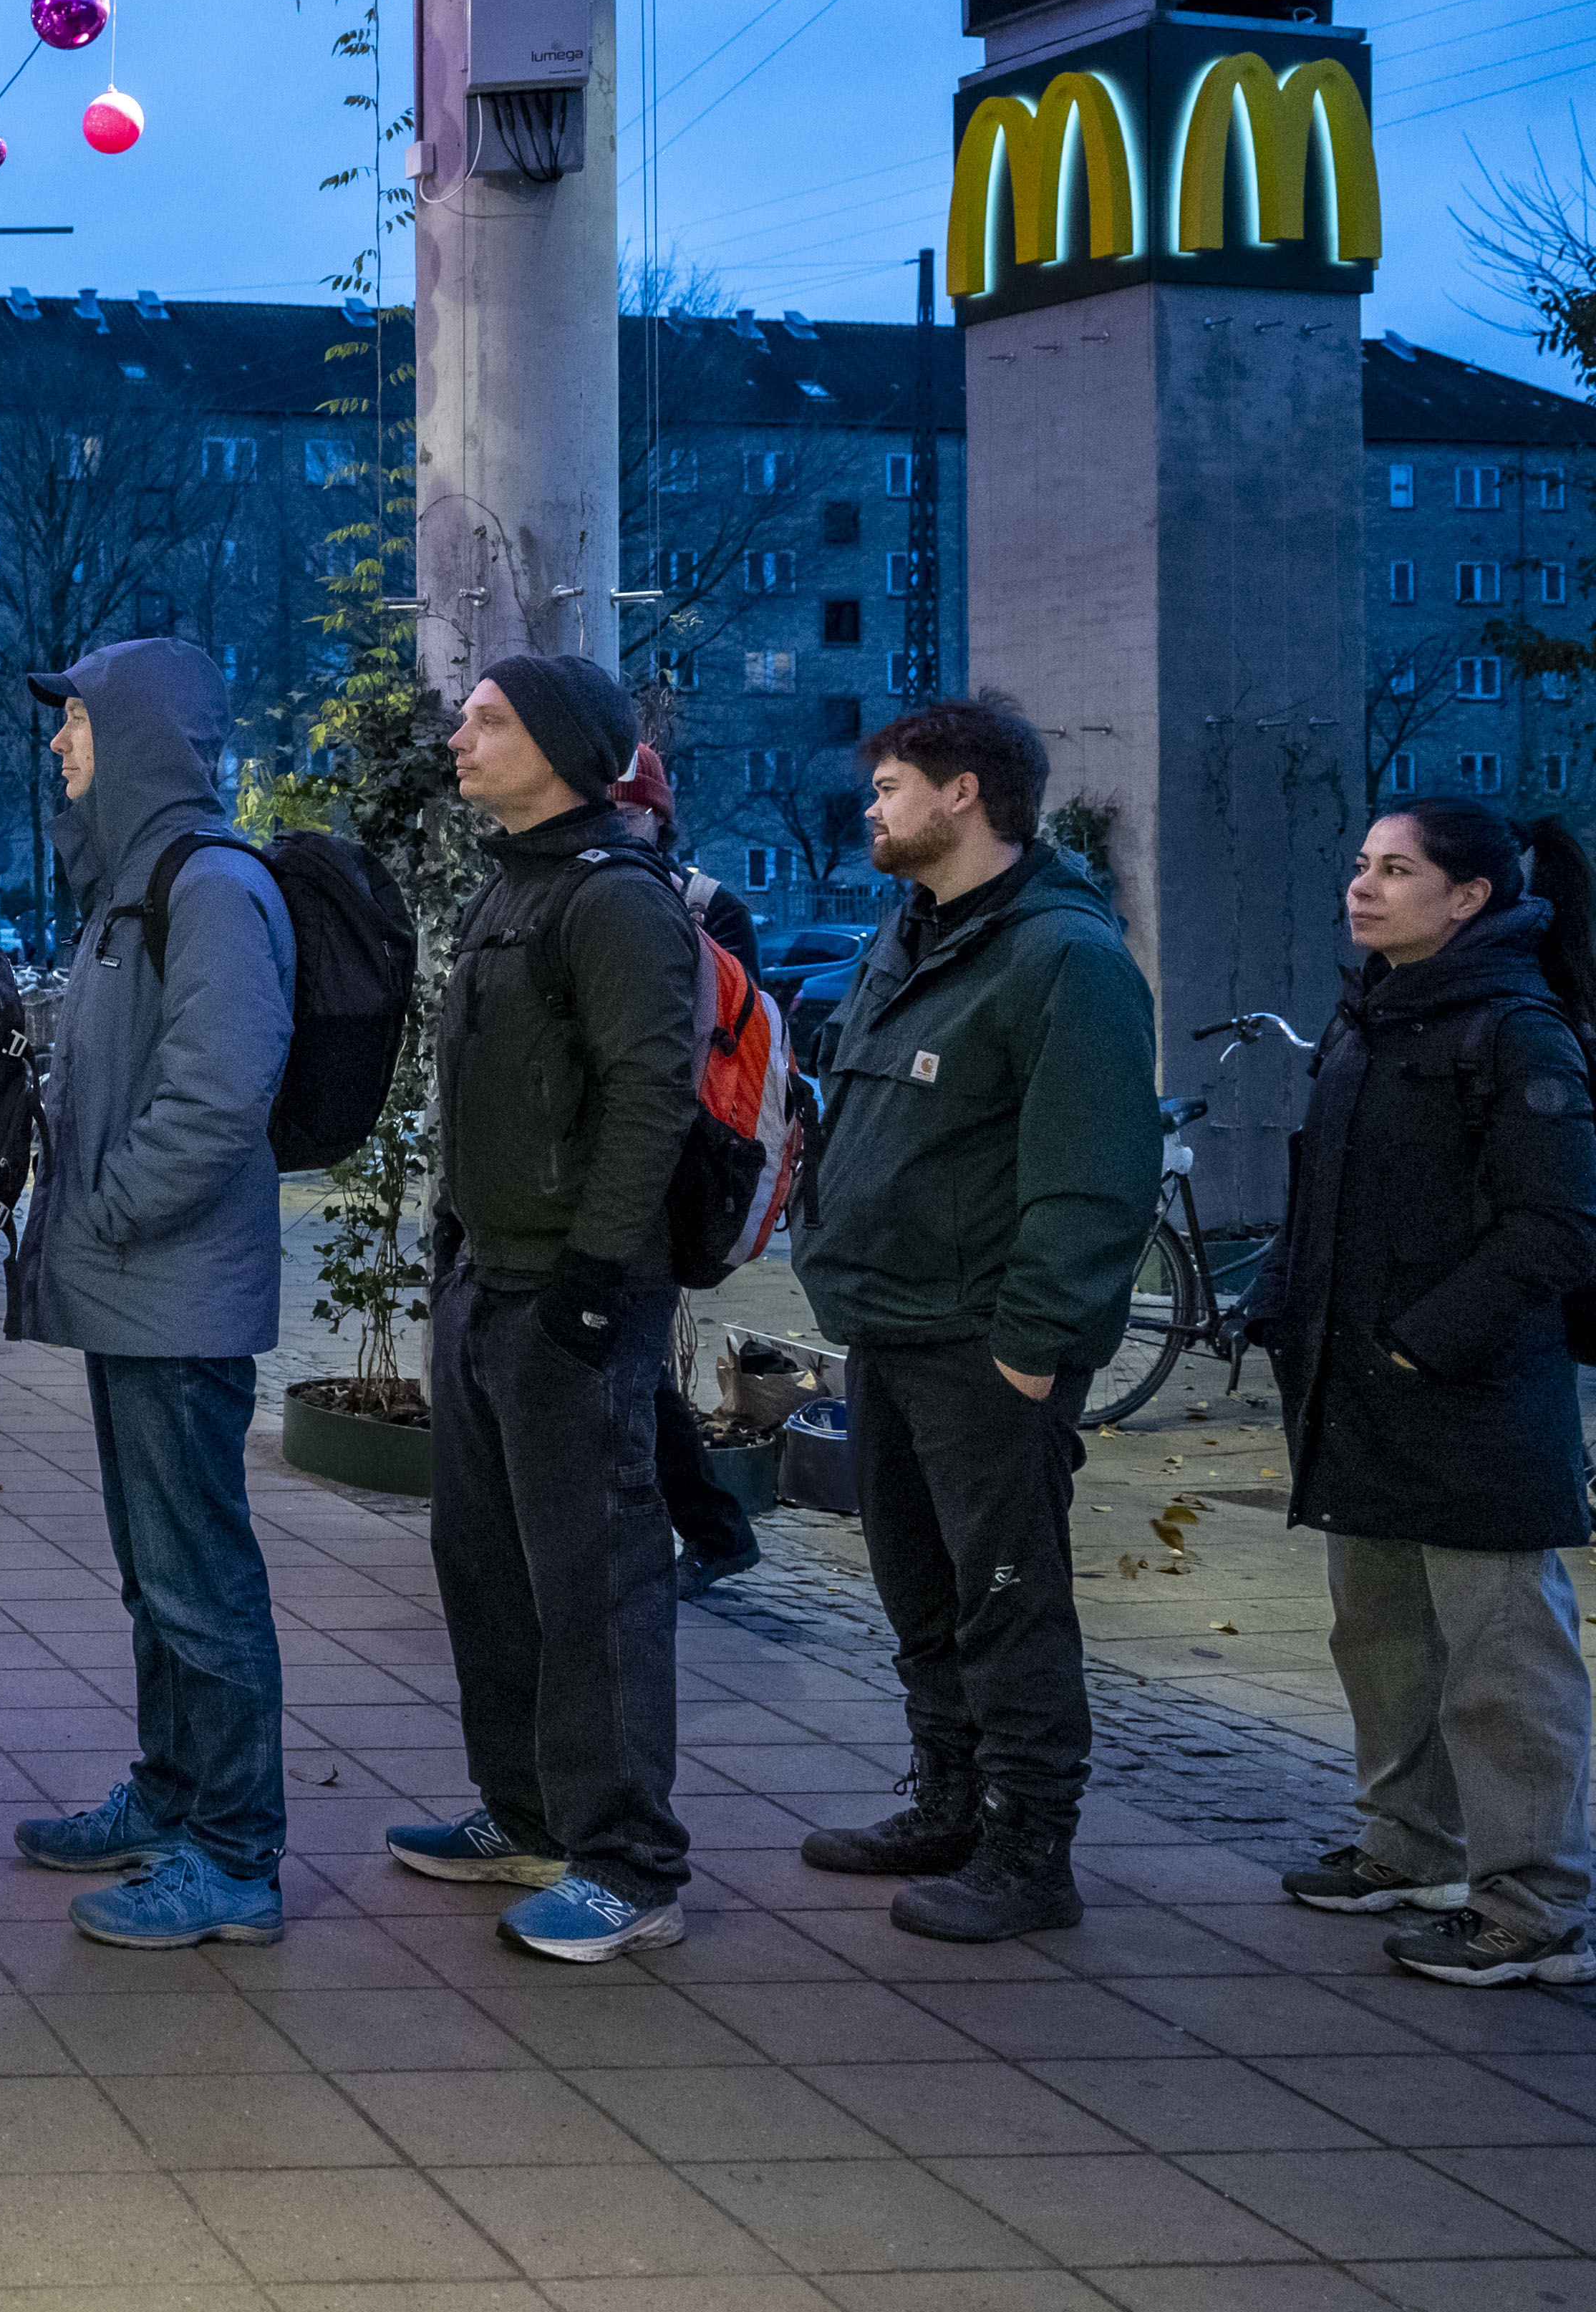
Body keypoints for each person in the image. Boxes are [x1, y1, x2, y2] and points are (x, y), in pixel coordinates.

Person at [787, 696, 1155, 1943]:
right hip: (888, 1324)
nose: (871, 806)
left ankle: (1028, 1850)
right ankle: (947, 1803)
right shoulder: (912, 935)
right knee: (921, 1590)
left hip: (983, 1348)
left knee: (1006, 1600)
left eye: (890, 785)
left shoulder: (1064, 958)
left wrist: (1030, 1349)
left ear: (962, 794)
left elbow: (1092, 1176)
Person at [1244, 803, 1596, 1988]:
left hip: (1476, 1403)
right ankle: (1411, 1848)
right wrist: (1281, 1306)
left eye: (1396, 869)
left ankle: (1535, 1909)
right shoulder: (1370, 1016)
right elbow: (1320, 1196)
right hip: (1361, 1392)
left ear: (1470, 897)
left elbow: (1554, 1231)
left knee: (1504, 1663)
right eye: (1360, 864)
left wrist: (1418, 1347)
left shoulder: (1515, 1031)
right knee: (1381, 1637)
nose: (1362, 885)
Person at [394, 655, 708, 1962]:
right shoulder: (510, 887)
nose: (459, 738)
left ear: (565, 748)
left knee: (595, 1582)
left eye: (489, 720)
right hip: (488, 1281)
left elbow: (650, 1095)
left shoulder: (613, 898)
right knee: (484, 1563)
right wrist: (455, 1248)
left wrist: (591, 1277)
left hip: (571, 1299)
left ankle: (629, 1865)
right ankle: (526, 1815)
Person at [2, 639, 299, 1949]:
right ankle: (172, 1796)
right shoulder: (131, 888)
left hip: (172, 1287)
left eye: (75, 720)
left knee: (198, 1580)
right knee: (155, 1574)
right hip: (138, 1288)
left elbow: (218, 1091)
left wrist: (109, 1210)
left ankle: (233, 1855)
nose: (58, 742)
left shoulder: (211, 885)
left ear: (135, 736)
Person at [608, 746, 768, 1597]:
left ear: (660, 818)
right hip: (625, 1164)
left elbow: (729, 1044)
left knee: (630, 1363)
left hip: (673, 1169)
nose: (616, 824)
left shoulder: (707, 906)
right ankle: (710, 1529)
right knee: (630, 1363)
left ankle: (705, 1530)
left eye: (630, 811)